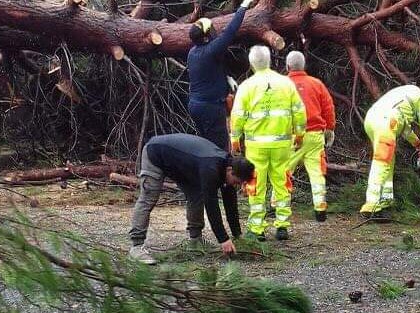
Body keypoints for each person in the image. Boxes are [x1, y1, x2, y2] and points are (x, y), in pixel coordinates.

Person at [128, 134, 255, 264]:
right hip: (156, 153)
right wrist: (223, 239)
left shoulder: (228, 167)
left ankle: (195, 240)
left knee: (196, 195)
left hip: (181, 164)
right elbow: (211, 205)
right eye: (236, 182)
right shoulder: (211, 168)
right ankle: (136, 246)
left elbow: (230, 204)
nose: (235, 185)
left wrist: (237, 235)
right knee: (148, 198)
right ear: (230, 170)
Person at [230, 46, 306, 241]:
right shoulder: (286, 83)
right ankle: (282, 225)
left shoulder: (247, 86)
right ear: (269, 60)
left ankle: (257, 229)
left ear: (251, 63)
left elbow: (237, 115)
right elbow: (299, 110)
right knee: (282, 182)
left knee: (256, 184)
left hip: (256, 146)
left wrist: (235, 139)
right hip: (282, 144)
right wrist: (299, 133)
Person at [187, 0, 254, 151]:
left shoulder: (193, 52)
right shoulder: (211, 50)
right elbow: (230, 31)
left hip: (196, 105)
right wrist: (243, 7)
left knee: (206, 146)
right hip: (210, 107)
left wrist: (226, 77)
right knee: (219, 149)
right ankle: (219, 173)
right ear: (205, 36)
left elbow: (210, 71)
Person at [360, 84, 420, 219]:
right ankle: (371, 203)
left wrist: (418, 144)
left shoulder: (403, 95)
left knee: (388, 159)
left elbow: (404, 127)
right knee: (382, 161)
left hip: (372, 119)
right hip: (387, 121)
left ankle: (385, 201)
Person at [283, 50, 335, 222]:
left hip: (290, 137)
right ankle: (320, 208)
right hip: (314, 136)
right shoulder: (316, 84)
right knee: (316, 172)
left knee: (284, 172)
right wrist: (330, 129)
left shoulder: (282, 85)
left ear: (287, 66)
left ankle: (280, 208)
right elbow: (328, 107)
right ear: (303, 65)